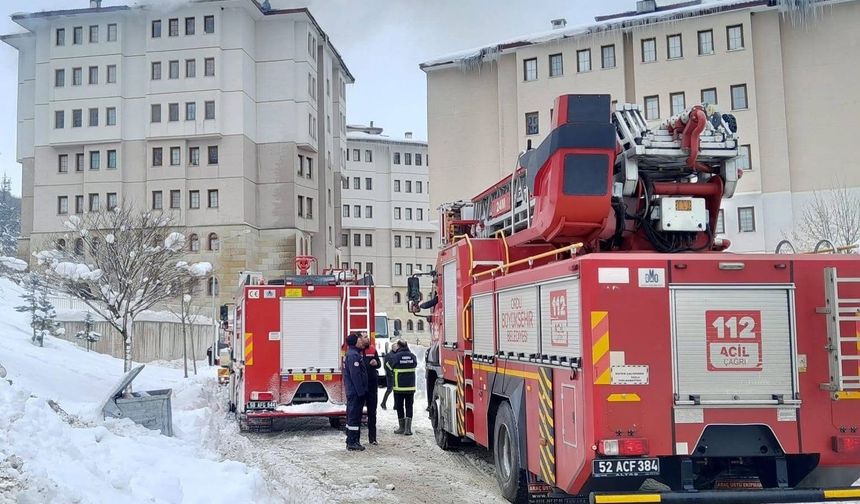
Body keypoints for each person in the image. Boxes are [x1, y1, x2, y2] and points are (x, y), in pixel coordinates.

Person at [343, 332, 369, 451]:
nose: (361, 341)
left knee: (352, 416)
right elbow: (356, 376)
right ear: (355, 342)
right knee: (354, 416)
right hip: (355, 392)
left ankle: (351, 439)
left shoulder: (353, 353)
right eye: (359, 340)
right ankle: (352, 442)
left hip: (353, 391)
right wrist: (361, 392)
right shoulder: (354, 355)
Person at [386, 339, 418, 436]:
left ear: (399, 346)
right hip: (410, 387)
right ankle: (408, 429)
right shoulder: (413, 356)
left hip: (399, 387)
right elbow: (415, 364)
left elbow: (389, 366)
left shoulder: (396, 357)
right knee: (409, 406)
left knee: (399, 406)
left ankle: (401, 427)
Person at [361, 333, 381, 445]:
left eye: (367, 337)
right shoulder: (356, 352)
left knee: (372, 413)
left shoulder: (373, 350)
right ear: (360, 339)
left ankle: (372, 438)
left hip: (372, 386)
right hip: (360, 386)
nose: (368, 338)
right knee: (357, 413)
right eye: (365, 337)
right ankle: (355, 439)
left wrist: (376, 363)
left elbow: (379, 363)